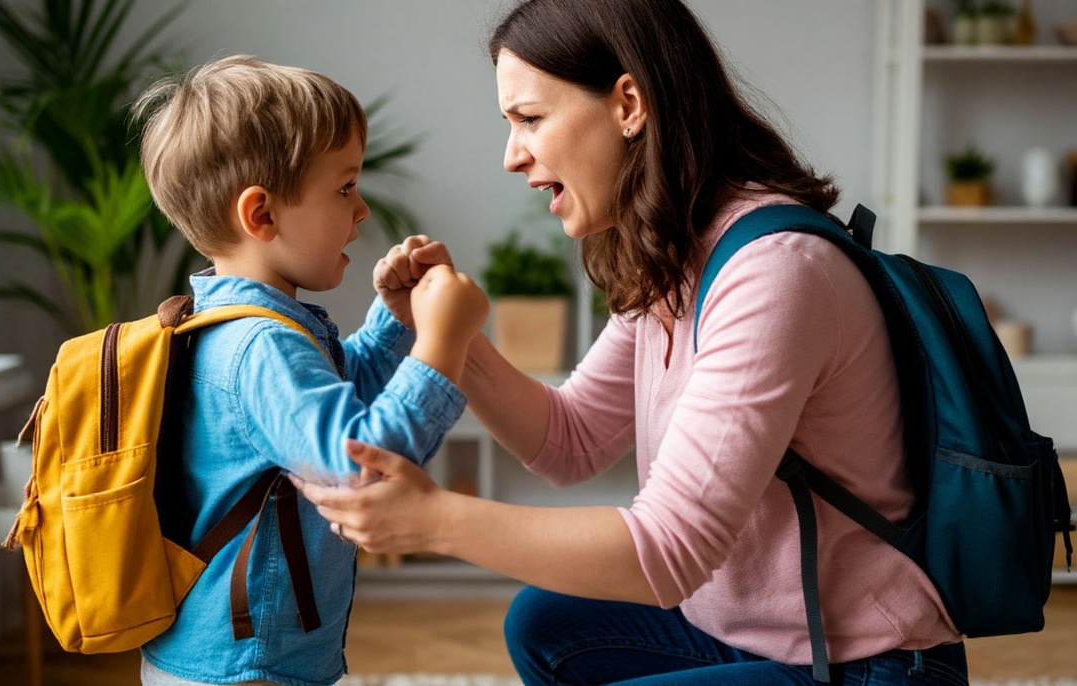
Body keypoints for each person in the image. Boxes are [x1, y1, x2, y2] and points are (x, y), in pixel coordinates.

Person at [295, 2, 971, 684]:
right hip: (746, 633)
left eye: (529, 118)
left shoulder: (774, 271)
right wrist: (444, 333)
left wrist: (433, 521)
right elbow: (572, 440)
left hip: (867, 662)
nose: (511, 155)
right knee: (545, 626)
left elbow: (668, 552)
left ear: (627, 105)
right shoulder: (676, 253)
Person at [129, 55, 488, 686]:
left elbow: (334, 408)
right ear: (261, 214)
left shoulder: (228, 325)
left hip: (231, 655)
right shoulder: (260, 347)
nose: (363, 210)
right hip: (251, 666)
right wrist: (443, 341)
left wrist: (394, 322)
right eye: (344, 187)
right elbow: (362, 464)